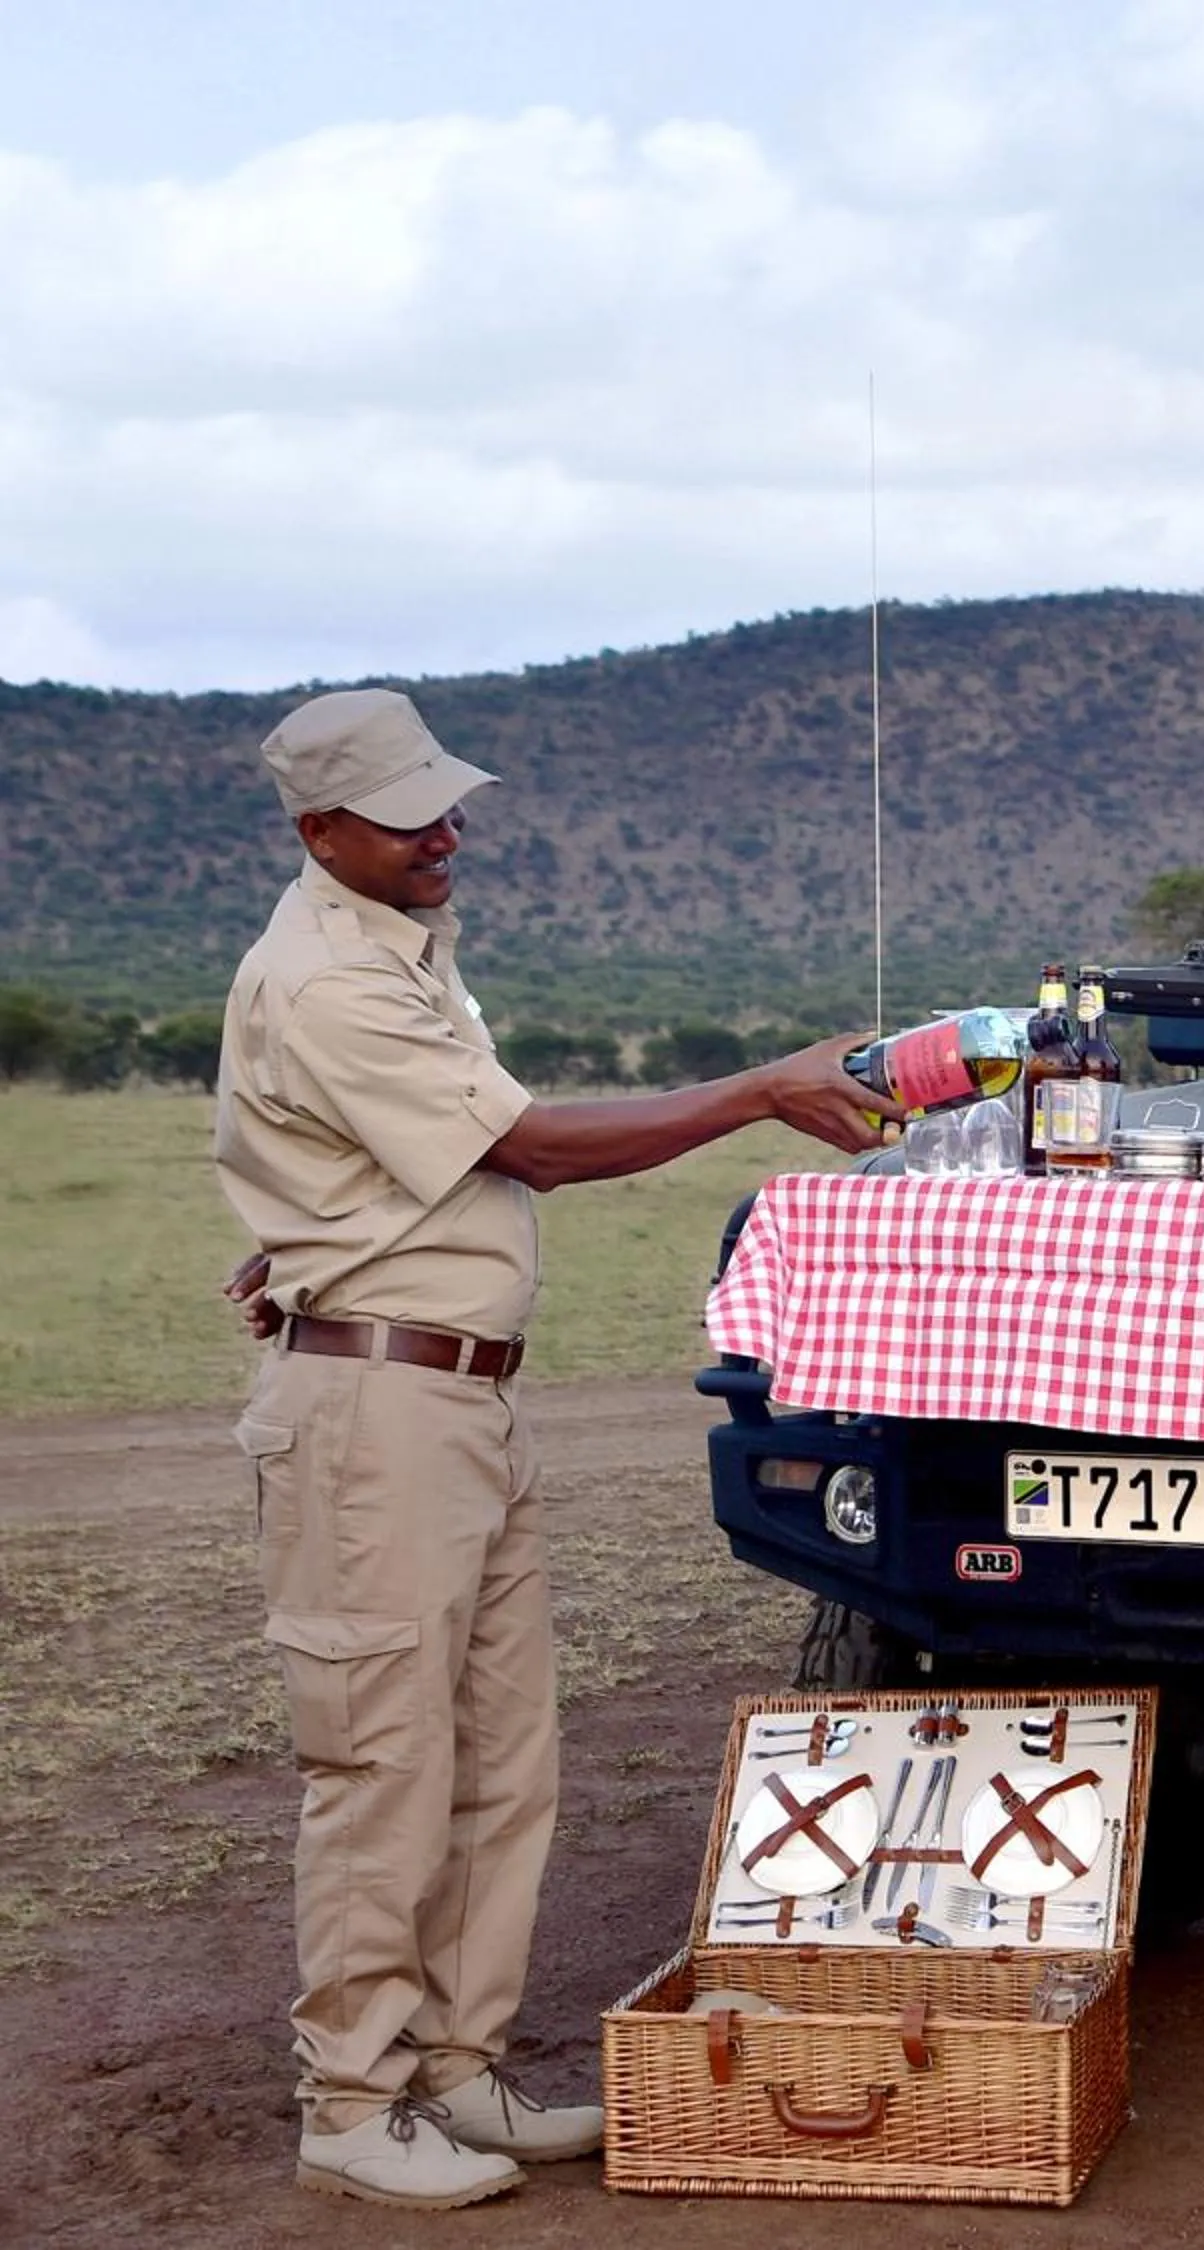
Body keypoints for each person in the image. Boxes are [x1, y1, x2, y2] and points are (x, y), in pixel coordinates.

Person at [212, 687, 901, 2210]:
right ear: (320, 829)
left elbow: (320, 1154)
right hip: (380, 1414)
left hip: (459, 1401)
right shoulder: (329, 978)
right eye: (406, 815)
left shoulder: (399, 954)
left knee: (502, 1756)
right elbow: (527, 1146)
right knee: (385, 1755)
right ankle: (352, 2091)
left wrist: (300, 1234)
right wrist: (759, 1089)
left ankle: (456, 2068)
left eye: (447, 802)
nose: (444, 832)